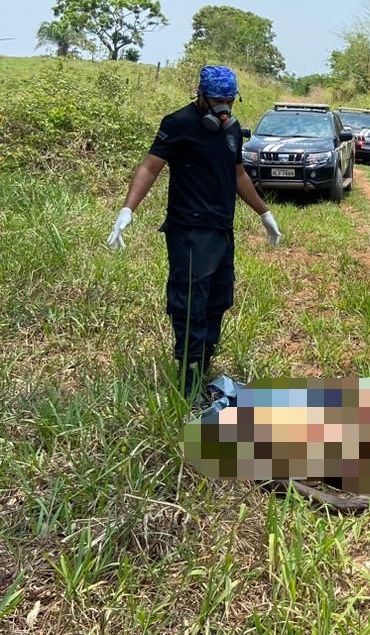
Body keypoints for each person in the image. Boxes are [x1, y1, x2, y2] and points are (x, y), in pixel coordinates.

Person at [107, 65, 283, 398]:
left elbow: (238, 174)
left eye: (230, 101)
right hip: (189, 231)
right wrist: (128, 209)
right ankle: (187, 385)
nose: (224, 109)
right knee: (190, 305)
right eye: (217, 101)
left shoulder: (231, 131)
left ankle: (202, 367)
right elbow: (150, 166)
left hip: (221, 230)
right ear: (200, 96)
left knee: (218, 300)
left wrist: (265, 213)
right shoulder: (178, 124)